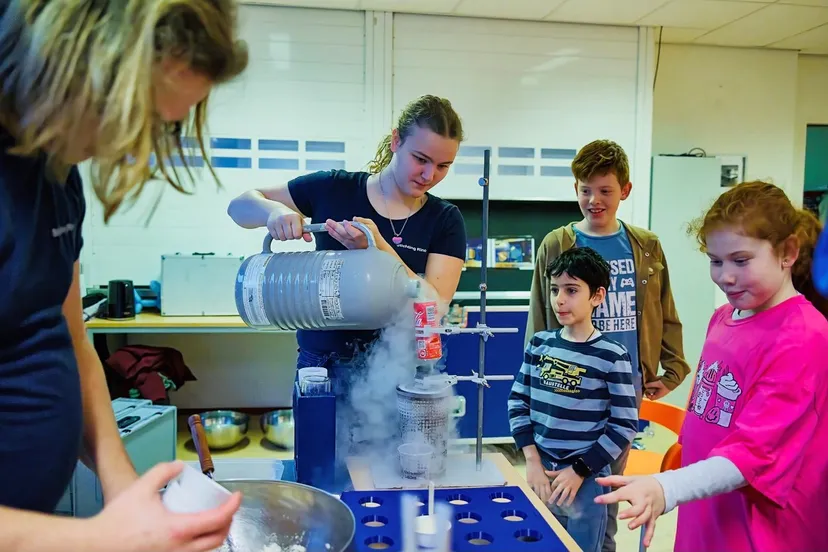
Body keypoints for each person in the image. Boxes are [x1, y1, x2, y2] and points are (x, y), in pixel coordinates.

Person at [0, 1, 248, 551]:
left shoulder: (55, 169)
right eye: (140, 114)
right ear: (79, 54)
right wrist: (96, 541)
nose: (131, 145)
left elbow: (67, 339)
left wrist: (122, 490)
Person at [595, 181, 828, 552]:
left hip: (761, 530)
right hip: (707, 512)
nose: (725, 276)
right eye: (715, 261)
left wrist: (666, 487)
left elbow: (754, 453)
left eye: (741, 260)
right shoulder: (723, 317)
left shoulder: (803, 335)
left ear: (787, 252)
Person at [226, 94, 468, 382]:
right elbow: (238, 207)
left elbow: (435, 304)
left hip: (399, 368)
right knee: (320, 428)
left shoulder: (445, 219)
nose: (429, 175)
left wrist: (378, 248)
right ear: (396, 141)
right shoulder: (333, 188)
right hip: (323, 364)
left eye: (443, 166)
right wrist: (274, 212)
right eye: (421, 159)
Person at [524, 139, 690, 551]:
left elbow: (664, 310)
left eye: (605, 191)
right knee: (559, 493)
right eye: (585, 190)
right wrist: (534, 381)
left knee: (604, 493)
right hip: (568, 382)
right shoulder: (557, 243)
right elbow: (539, 317)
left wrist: (671, 370)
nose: (594, 200)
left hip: (622, 386)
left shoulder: (645, 245)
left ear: (625, 191)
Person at [509, 247, 638, 552]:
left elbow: (624, 425)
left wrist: (579, 470)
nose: (560, 300)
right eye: (554, 290)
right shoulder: (540, 344)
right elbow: (517, 402)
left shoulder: (612, 355)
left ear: (597, 296)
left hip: (586, 479)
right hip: (541, 471)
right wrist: (532, 461)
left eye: (571, 290)